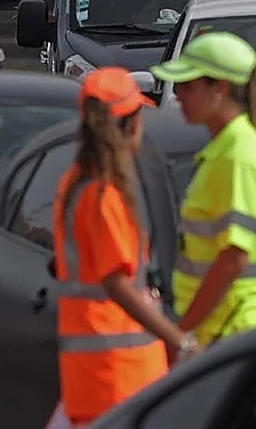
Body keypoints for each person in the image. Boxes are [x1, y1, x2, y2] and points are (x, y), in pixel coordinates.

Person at [53, 68, 198, 428]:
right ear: (131, 125)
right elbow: (117, 282)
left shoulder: (76, 183)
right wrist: (181, 341)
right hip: (121, 375)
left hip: (95, 377)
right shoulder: (104, 195)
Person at [150, 32, 256, 348]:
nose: (179, 96)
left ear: (221, 88)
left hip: (234, 329)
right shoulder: (232, 149)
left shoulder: (238, 155)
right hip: (230, 328)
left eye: (189, 86)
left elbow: (233, 258)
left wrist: (182, 333)